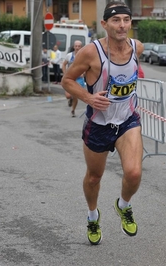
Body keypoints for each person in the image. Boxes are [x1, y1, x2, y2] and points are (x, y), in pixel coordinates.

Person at [60, 1, 144, 245]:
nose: (122, 25)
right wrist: (88, 97)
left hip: (128, 120)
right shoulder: (90, 52)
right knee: (95, 177)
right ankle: (93, 216)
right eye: (116, 20)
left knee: (134, 172)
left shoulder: (137, 47)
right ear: (105, 24)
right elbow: (67, 80)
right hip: (98, 124)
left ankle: (123, 205)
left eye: (126, 20)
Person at [62, 40, 85, 117]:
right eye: (76, 46)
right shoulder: (69, 55)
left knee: (75, 94)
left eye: (79, 46)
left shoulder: (84, 56)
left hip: (79, 78)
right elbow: (64, 65)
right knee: (68, 96)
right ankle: (70, 99)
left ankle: (73, 110)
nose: (77, 48)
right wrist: (65, 74)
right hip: (70, 78)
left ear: (81, 47)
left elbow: (88, 67)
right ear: (74, 47)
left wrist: (83, 73)